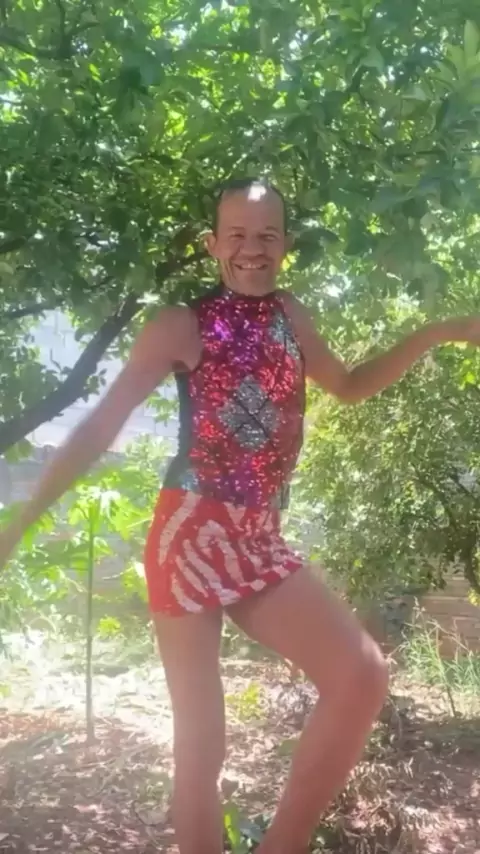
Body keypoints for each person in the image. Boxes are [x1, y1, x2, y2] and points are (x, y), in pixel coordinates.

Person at [1, 177, 479, 854]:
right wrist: (20, 521)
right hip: (190, 535)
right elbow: (100, 427)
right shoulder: (179, 325)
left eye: (267, 235)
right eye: (237, 235)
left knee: (361, 675)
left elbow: (347, 385)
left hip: (259, 536)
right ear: (212, 244)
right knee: (202, 744)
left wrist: (440, 332)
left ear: (286, 244)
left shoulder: (292, 316)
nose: (252, 248)